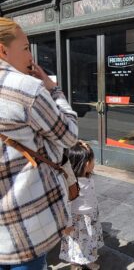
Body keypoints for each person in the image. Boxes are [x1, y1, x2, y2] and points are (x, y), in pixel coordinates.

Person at [0, 17, 78, 269]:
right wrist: (53, 90)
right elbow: (69, 135)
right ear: (3, 50)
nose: (30, 56)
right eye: (24, 48)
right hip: (24, 228)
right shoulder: (27, 88)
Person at [59, 141, 103, 270]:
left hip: (90, 217)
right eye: (93, 160)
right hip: (77, 220)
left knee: (89, 241)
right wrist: (67, 225)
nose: (94, 163)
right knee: (76, 243)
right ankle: (75, 263)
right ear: (87, 164)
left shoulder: (88, 178)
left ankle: (89, 260)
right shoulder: (72, 184)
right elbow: (66, 205)